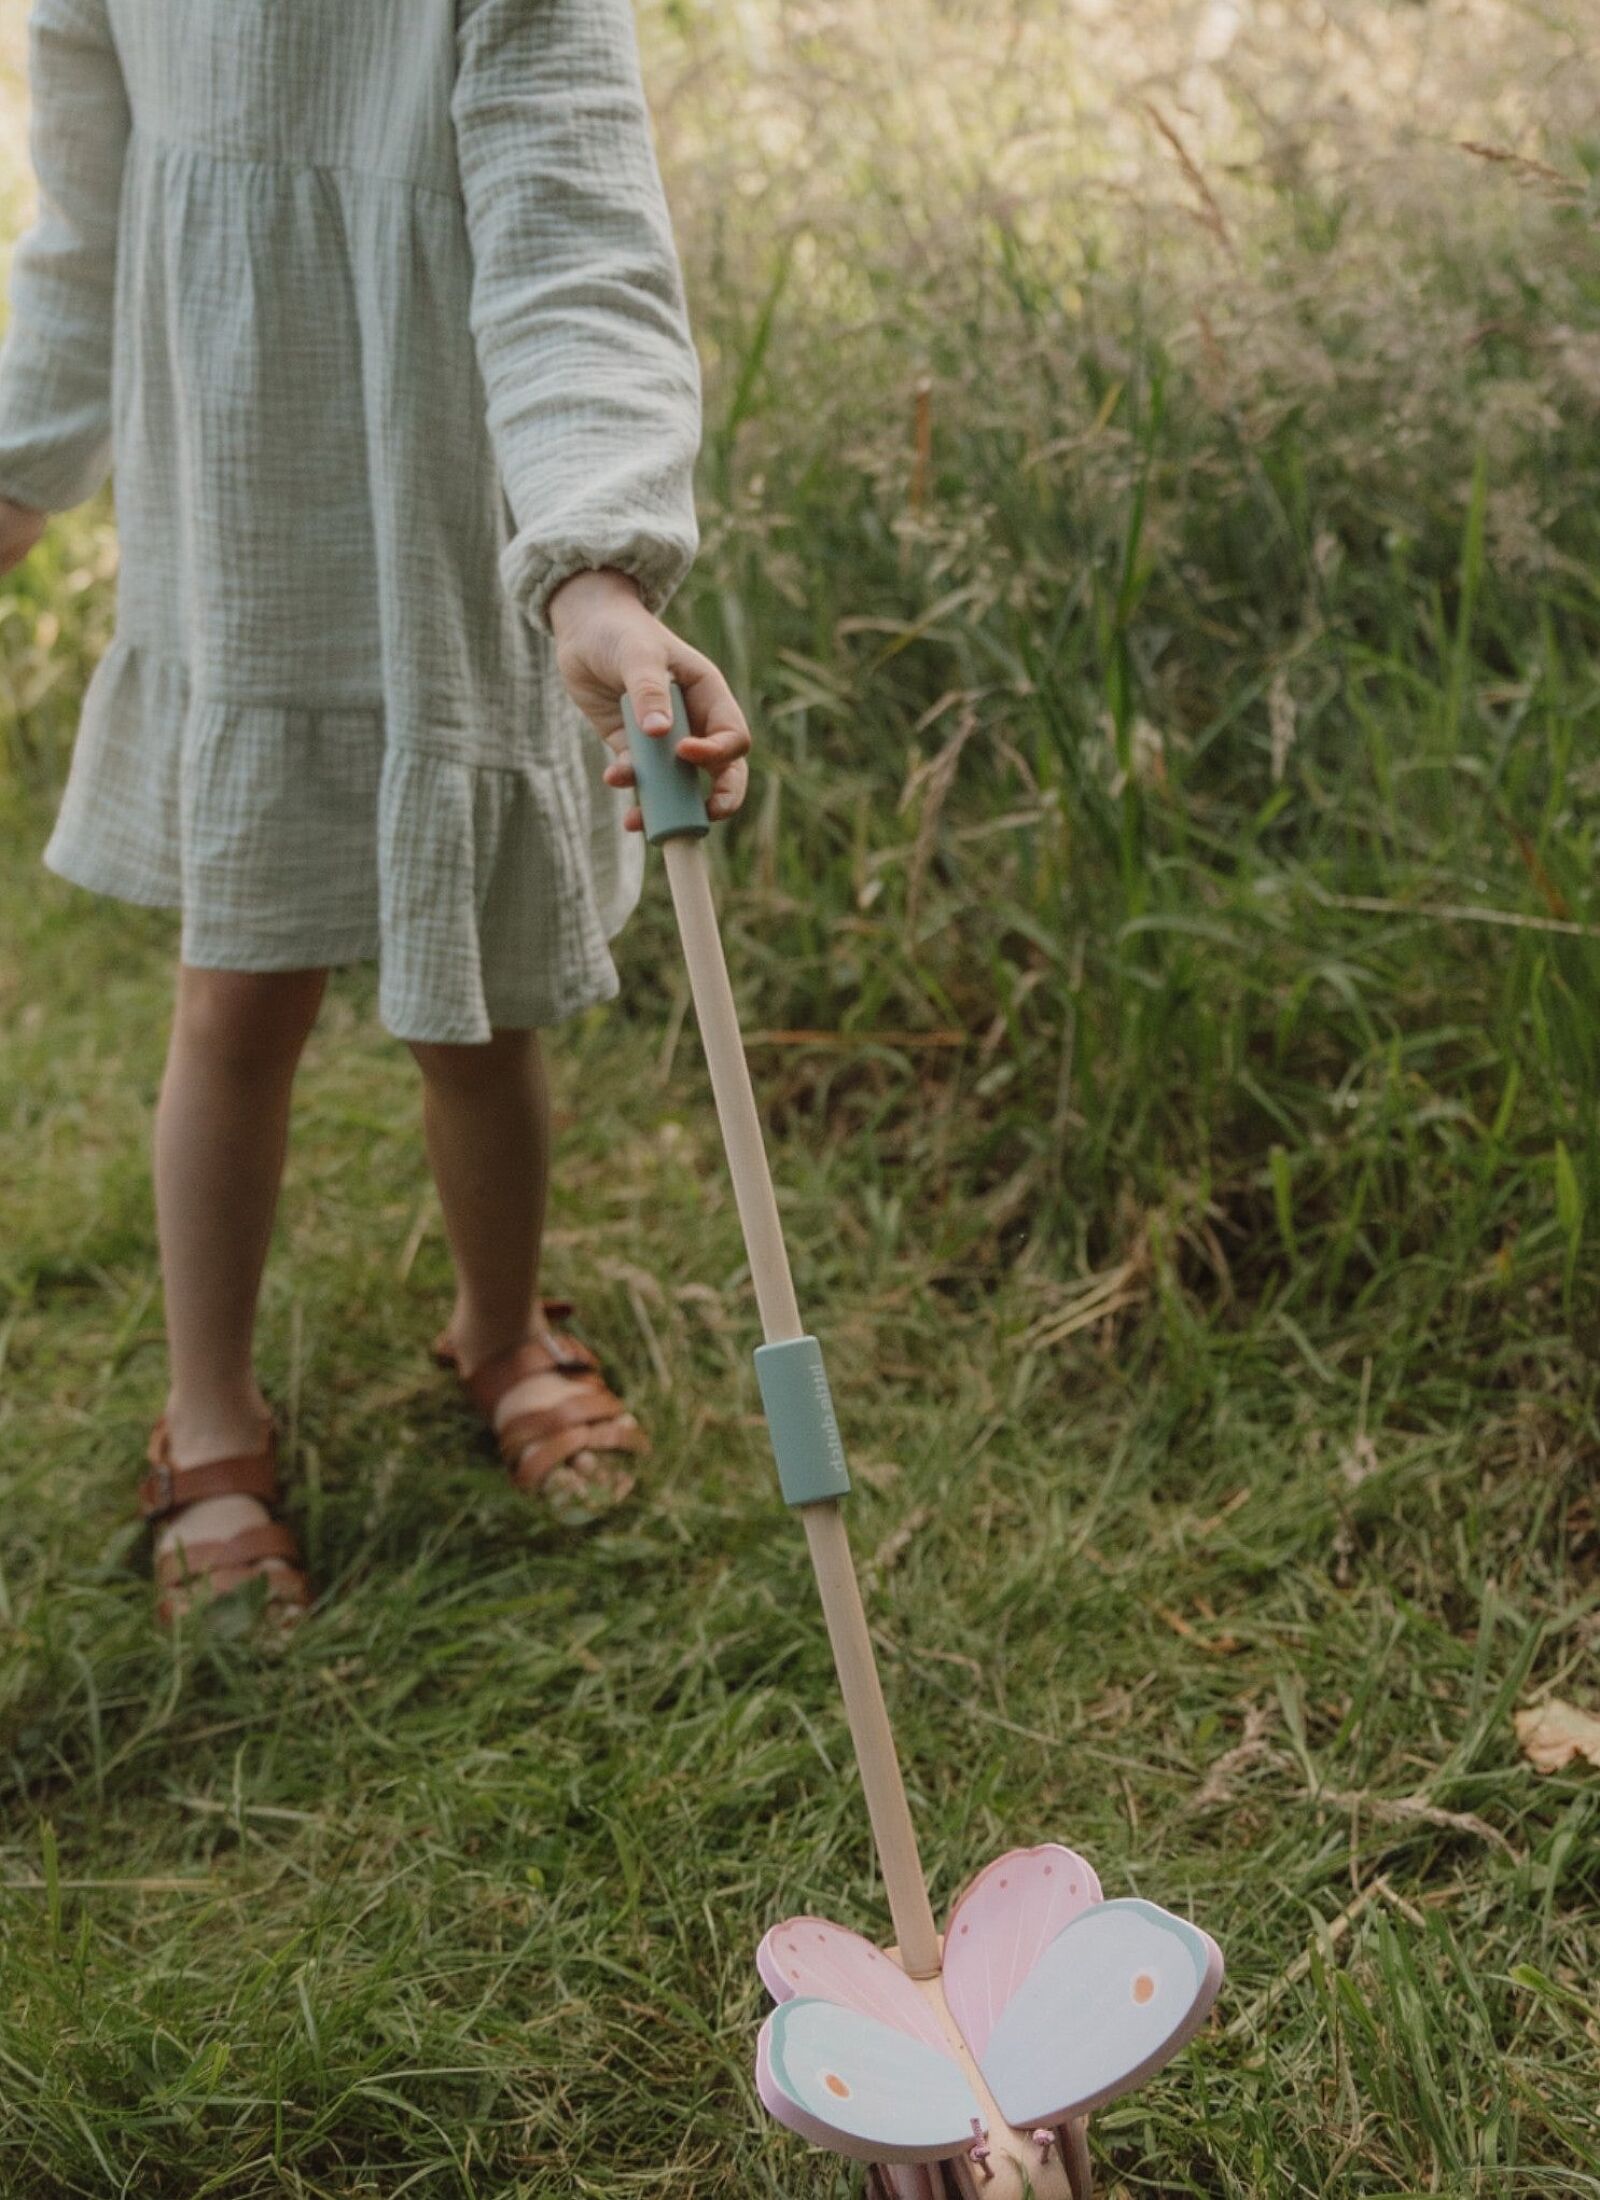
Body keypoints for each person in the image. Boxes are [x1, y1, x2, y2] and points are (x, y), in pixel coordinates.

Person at [0, 0, 751, 1627]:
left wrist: (598, 574)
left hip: (451, 545)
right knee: (236, 998)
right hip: (243, 540)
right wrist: (13, 475)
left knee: (477, 1010)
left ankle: (496, 1329)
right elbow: (85, 230)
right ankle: (210, 1419)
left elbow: (576, 252)